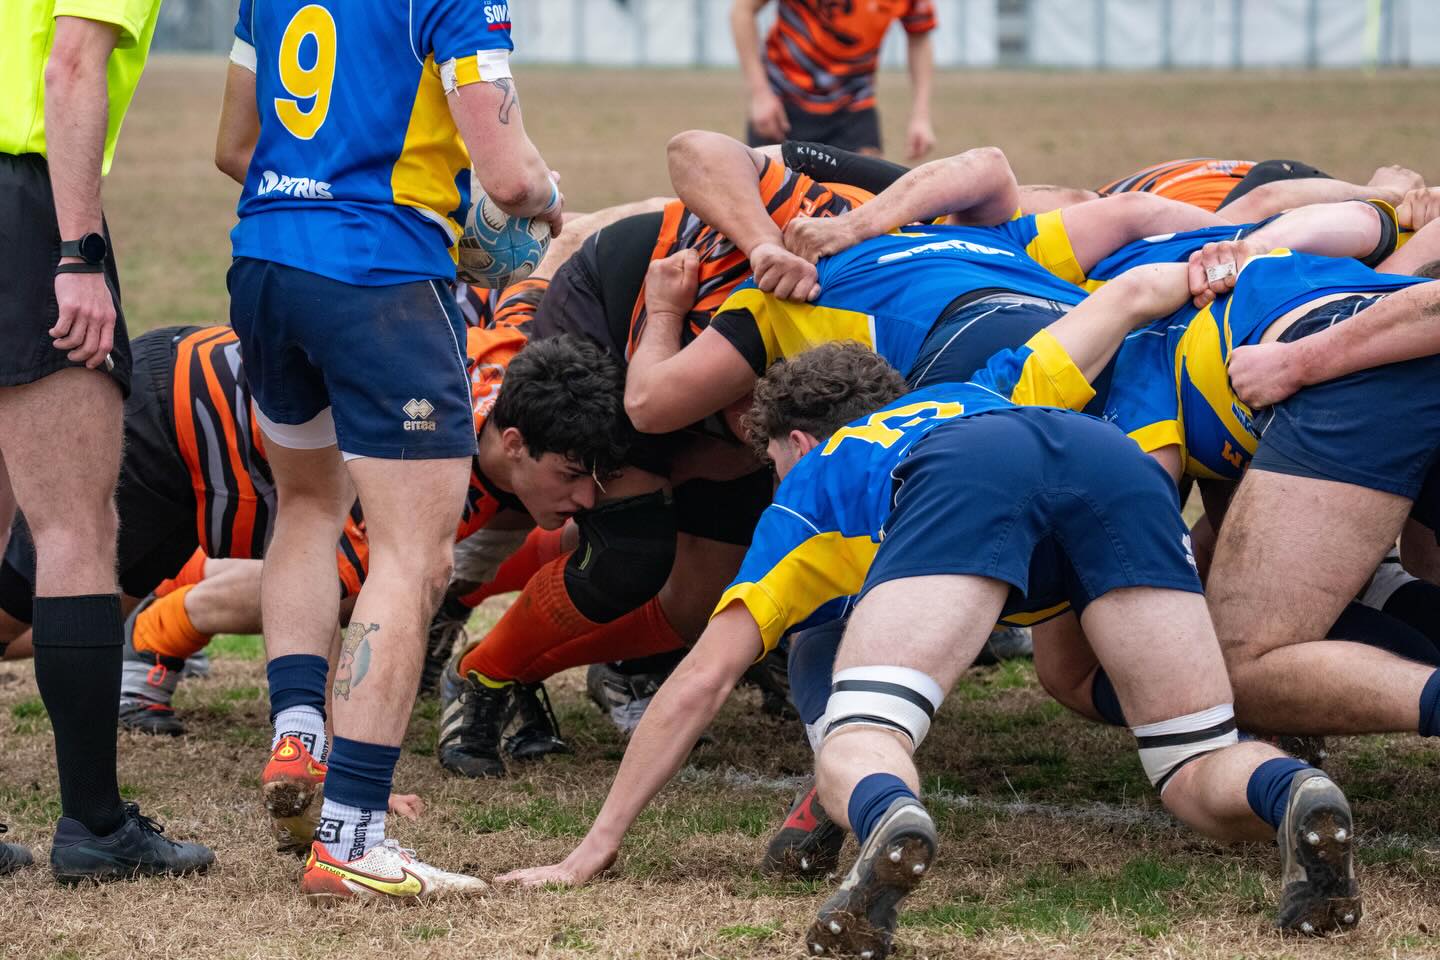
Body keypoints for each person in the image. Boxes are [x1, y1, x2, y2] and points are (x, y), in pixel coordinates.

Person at [496, 339, 1361, 953]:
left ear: (798, 443)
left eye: (772, 463)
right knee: (1192, 765)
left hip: (964, 479)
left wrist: (594, 845)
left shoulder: (814, 481)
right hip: (1112, 460)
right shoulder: (978, 386)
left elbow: (702, 679)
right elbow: (1109, 312)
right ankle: (1294, 789)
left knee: (864, 730)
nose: (774, 481)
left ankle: (887, 814)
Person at [218, 0, 564, 900]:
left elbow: (234, 147)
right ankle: (352, 839)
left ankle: (300, 731)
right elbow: (511, 177)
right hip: (379, 275)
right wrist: (545, 203)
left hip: (265, 263)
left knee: (307, 506)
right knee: (413, 557)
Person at [0, 0, 214, 880]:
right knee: (76, 528)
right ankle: (95, 825)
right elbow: (73, 67)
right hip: (25, 201)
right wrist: (79, 254)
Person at [732, 0, 936, 160]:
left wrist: (921, 116)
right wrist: (760, 94)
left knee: (869, 197)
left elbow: (919, 36)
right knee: (769, 196)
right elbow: (742, 11)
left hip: (854, 104)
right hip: (782, 106)